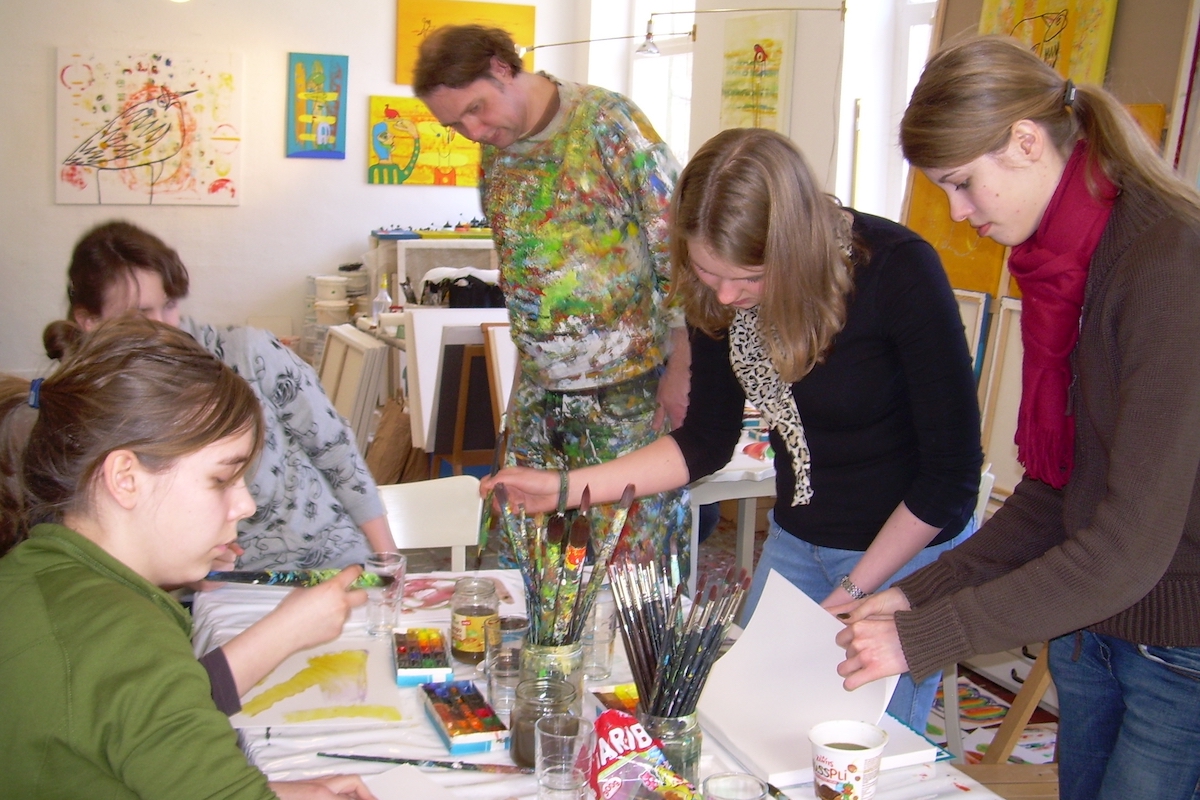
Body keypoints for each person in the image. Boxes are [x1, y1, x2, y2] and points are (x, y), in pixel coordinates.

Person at [484, 128, 983, 731]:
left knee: (858, 749)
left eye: (748, 278)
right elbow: (703, 442)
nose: (725, 294)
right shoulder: (720, 290)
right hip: (799, 539)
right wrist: (564, 489)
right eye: (707, 272)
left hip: (905, 552)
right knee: (748, 726)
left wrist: (854, 590)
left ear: (794, 249)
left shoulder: (898, 271)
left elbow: (949, 480)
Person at [834, 36, 1200, 800]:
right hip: (1098, 629)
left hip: (1181, 648)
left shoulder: (1167, 265)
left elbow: (1129, 547)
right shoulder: (1065, 267)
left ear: (1026, 142)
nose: (961, 215)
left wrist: (927, 634)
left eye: (963, 185)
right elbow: (1055, 493)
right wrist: (917, 592)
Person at [0, 315, 375, 799]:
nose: (246, 505)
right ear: (126, 479)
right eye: (221, 479)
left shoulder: (36, 575)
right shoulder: (125, 638)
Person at [413, 25, 692, 576]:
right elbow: (526, 285)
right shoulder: (495, 159)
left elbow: (678, 245)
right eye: (455, 125)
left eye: (476, 109)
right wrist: (520, 391)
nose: (473, 130)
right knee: (522, 568)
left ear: (501, 67)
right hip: (540, 403)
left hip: (628, 393)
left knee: (628, 570)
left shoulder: (606, 124)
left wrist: (684, 364)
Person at [46, 220, 394, 571]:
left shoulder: (246, 355)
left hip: (332, 567)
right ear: (90, 321)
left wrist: (389, 565)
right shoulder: (86, 405)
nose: (164, 324)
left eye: (168, 305)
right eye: (141, 313)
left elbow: (339, 456)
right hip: (207, 594)